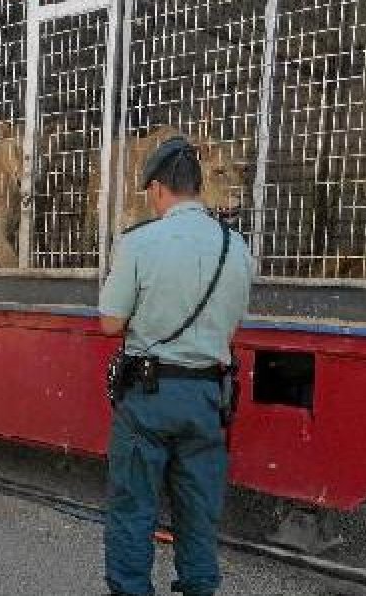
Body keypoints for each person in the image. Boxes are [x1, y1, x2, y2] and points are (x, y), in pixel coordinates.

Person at [98, 133, 253, 596]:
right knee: (198, 511)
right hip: (207, 397)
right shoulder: (235, 247)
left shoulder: (140, 243)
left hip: (148, 396)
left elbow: (110, 324)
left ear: (157, 189)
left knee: (133, 509)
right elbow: (231, 328)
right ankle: (199, 588)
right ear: (198, 188)